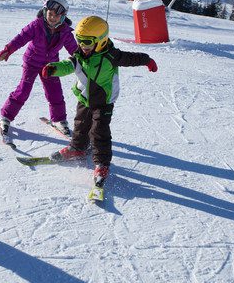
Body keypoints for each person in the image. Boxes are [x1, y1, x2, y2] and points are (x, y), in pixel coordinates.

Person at [41, 16, 158, 187]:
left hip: (103, 102)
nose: (82, 45)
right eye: (79, 41)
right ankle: (78, 148)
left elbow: (132, 58)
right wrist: (54, 68)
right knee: (80, 125)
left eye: (87, 42)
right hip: (85, 98)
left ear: (101, 41)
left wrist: (147, 60)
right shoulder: (80, 55)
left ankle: (102, 163)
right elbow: (68, 65)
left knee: (99, 132)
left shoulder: (112, 56)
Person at [0, 0, 78, 136]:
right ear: (45, 11)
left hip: (51, 66)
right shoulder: (36, 25)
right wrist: (8, 49)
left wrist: (84, 59)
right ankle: (6, 116)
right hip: (32, 63)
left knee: (55, 92)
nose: (52, 18)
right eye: (50, 14)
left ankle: (59, 120)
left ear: (63, 17)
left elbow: (74, 49)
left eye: (56, 16)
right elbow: (21, 38)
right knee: (23, 91)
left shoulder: (65, 32)